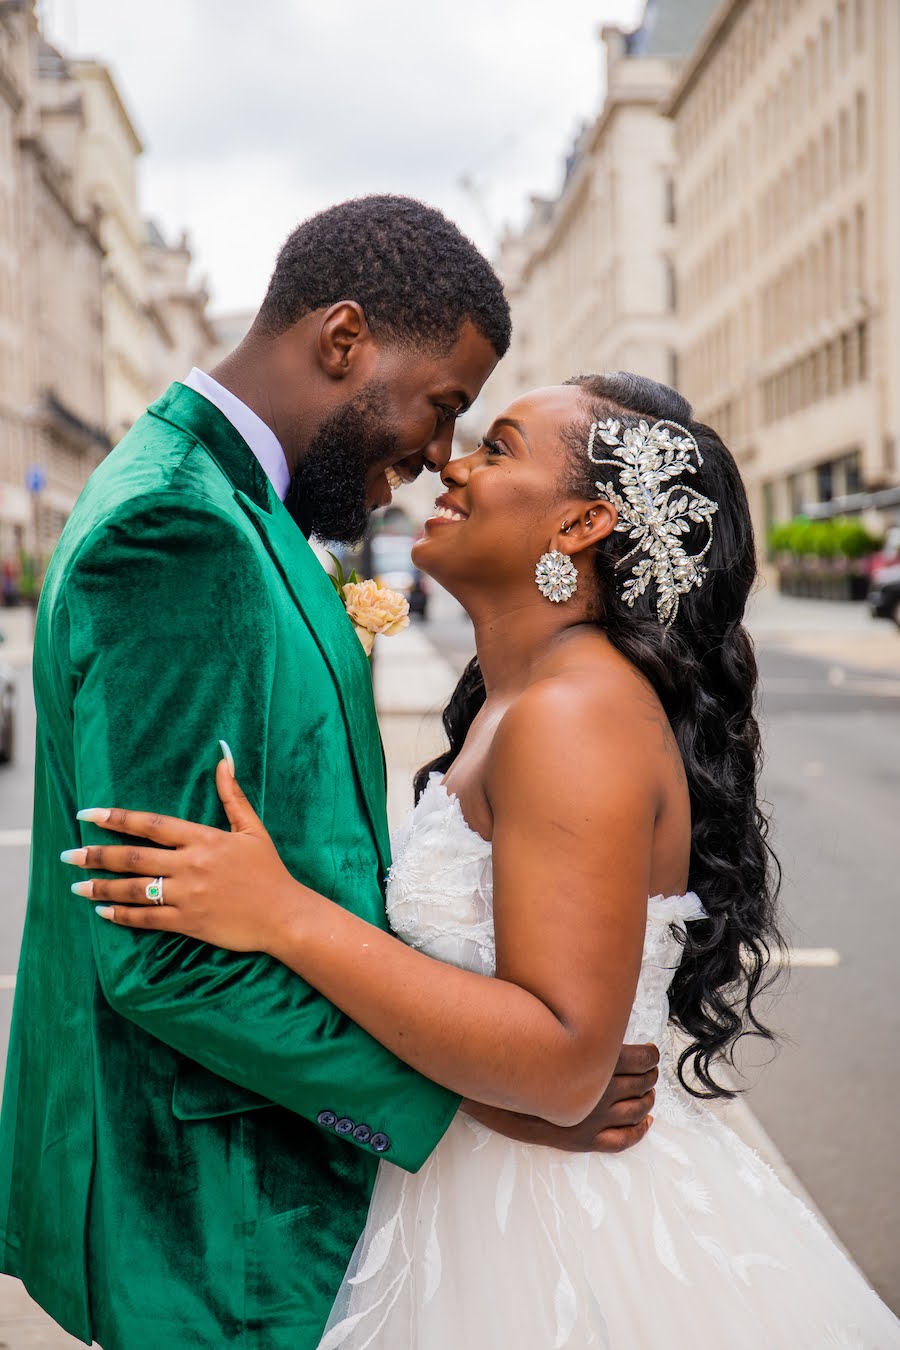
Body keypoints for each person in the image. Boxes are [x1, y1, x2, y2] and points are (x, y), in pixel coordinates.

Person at [69, 372, 900, 1347]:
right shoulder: (527, 701)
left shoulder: (573, 714)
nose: (451, 464)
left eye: (498, 447)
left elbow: (558, 1065)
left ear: (583, 524)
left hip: (555, 1245)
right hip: (481, 1195)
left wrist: (286, 915)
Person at [0, 198, 657, 1350]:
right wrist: (466, 1112)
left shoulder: (243, 508)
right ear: (344, 340)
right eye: (444, 406)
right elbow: (164, 957)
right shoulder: (176, 526)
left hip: (269, 1209)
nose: (439, 456)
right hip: (223, 1220)